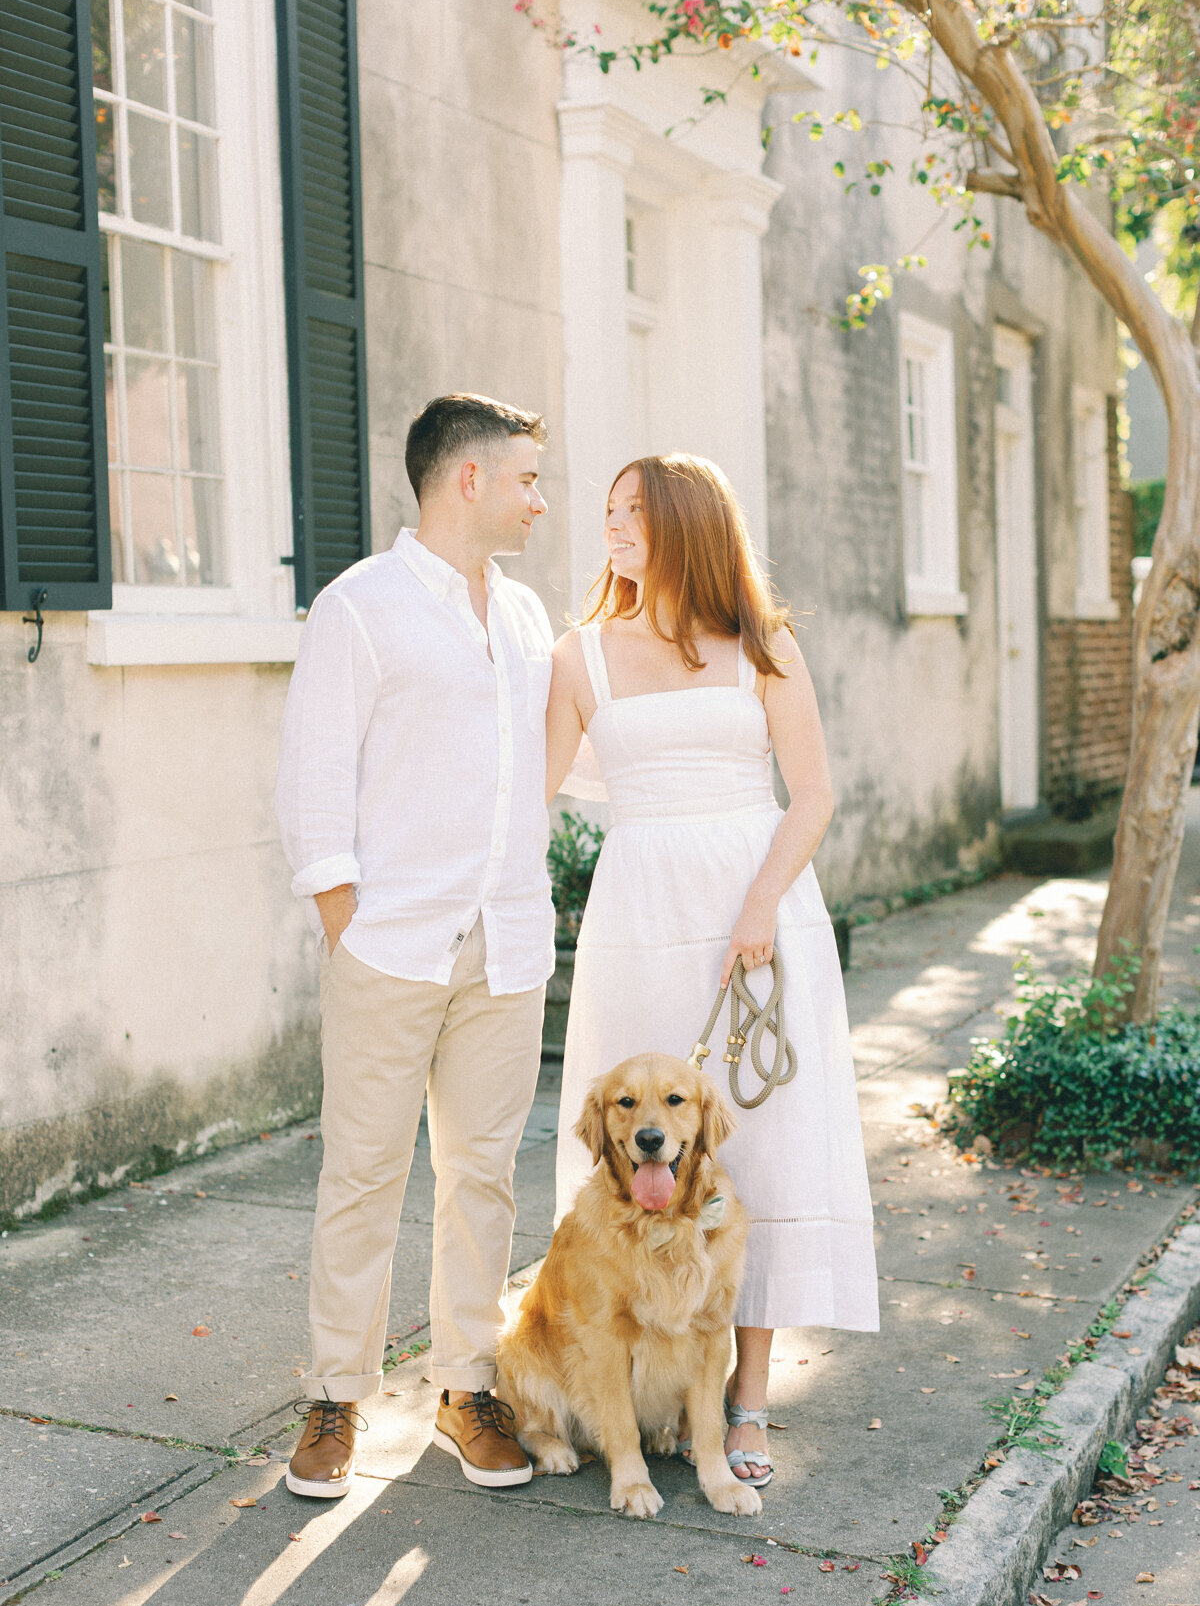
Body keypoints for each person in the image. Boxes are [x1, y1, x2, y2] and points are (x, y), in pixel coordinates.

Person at [546, 454, 878, 1488]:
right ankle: (633, 1380)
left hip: (760, 915)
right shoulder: (579, 658)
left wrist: (759, 908)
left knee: (763, 1154)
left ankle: (746, 1398)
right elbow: (527, 796)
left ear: (690, 522)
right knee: (639, 1156)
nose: (614, 526)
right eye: (608, 511)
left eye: (635, 511)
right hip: (638, 915)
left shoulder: (763, 645)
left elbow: (812, 793)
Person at [275, 393, 557, 1497]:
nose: (541, 499)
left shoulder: (529, 619)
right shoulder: (361, 609)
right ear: (468, 481)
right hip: (391, 944)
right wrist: (352, 928)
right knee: (364, 1175)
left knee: (481, 1175)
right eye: (527, 477)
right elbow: (313, 785)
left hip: (508, 942)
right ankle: (336, 1399)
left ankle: (464, 1390)